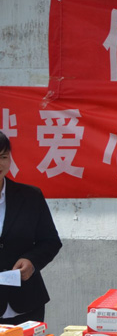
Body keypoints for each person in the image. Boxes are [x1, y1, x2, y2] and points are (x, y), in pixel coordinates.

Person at [0, 130, 62, 324]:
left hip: (27, 304)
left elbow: (50, 241)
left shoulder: (30, 197)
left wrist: (32, 261)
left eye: (3, 157)